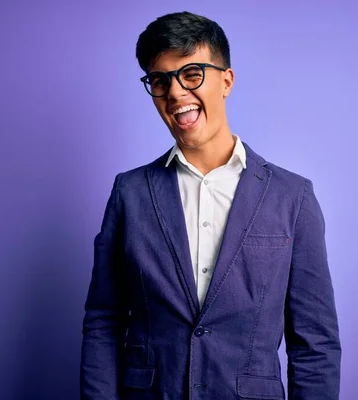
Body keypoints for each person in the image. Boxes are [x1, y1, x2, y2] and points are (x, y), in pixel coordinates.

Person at [80, 11, 341, 400]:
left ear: (227, 81)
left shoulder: (292, 197)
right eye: (159, 80)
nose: (175, 93)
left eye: (191, 74)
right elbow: (103, 321)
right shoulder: (129, 193)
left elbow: (315, 342)